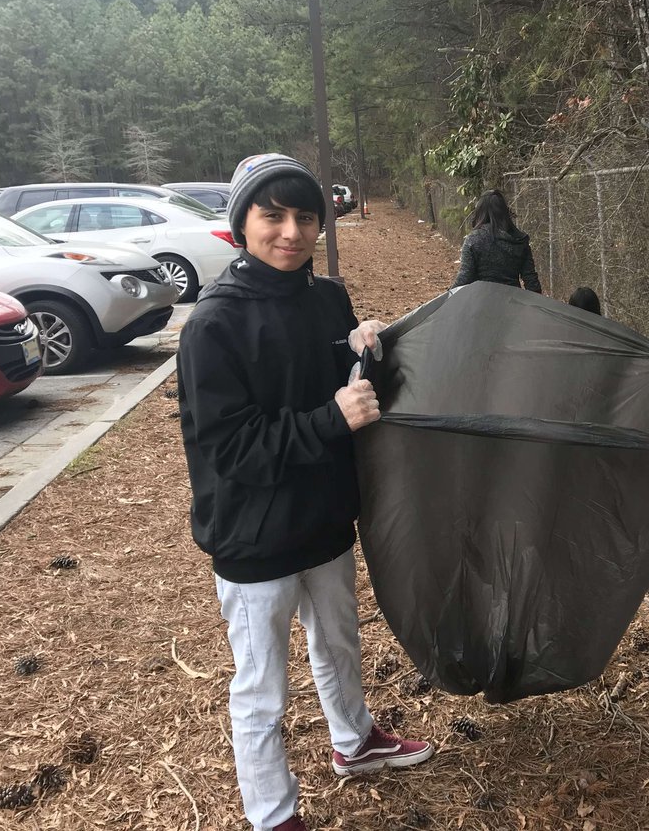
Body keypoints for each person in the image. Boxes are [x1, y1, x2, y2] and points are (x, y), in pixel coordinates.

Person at [177, 153, 434, 831]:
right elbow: (229, 449)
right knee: (262, 689)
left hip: (321, 517)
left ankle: (354, 743)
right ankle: (272, 814)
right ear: (242, 224)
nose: (291, 231)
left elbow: (332, 374)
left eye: (305, 217)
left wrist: (360, 347)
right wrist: (329, 418)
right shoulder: (214, 324)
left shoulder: (326, 297)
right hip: (253, 532)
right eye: (273, 216)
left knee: (339, 643)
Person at [451, 188, 542, 292]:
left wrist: (446, 299)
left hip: (481, 302)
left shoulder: (473, 240)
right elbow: (531, 281)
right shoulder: (519, 240)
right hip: (512, 302)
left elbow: (465, 278)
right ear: (504, 212)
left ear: (480, 212)